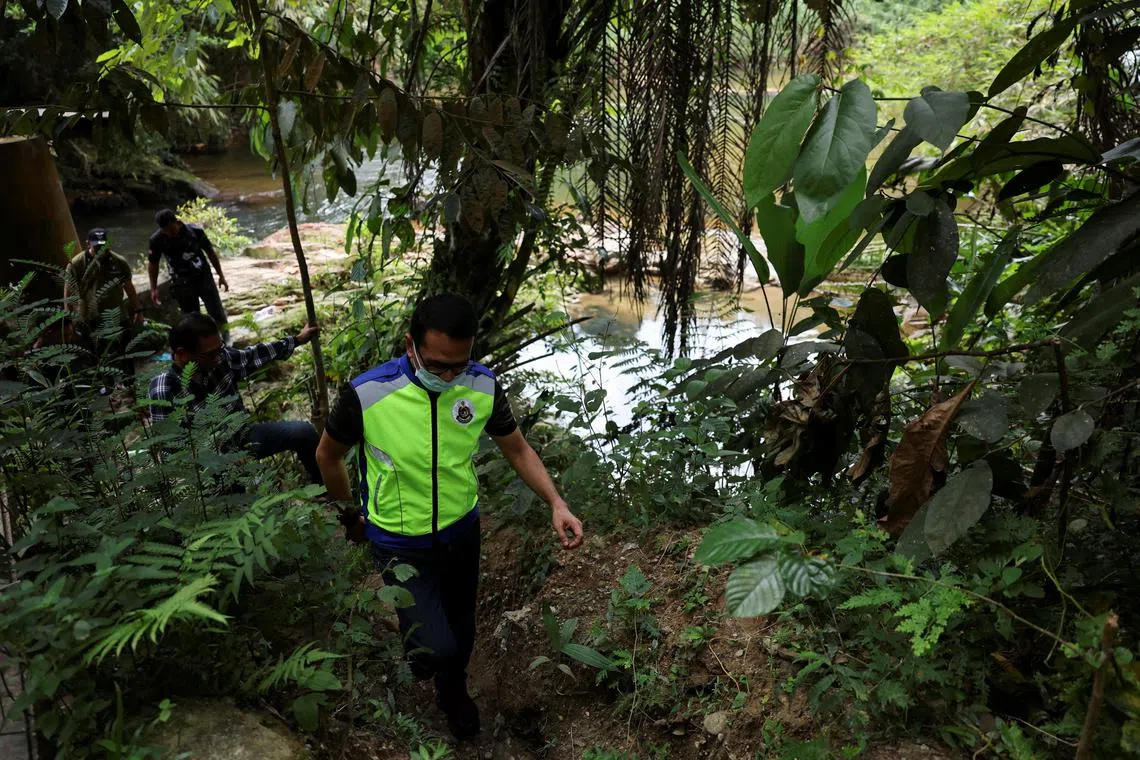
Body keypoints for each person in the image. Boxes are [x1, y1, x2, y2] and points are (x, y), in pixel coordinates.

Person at [315, 293, 584, 740]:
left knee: (461, 626)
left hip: (463, 531)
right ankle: (430, 661)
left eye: (459, 364)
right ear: (410, 346)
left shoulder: (481, 385)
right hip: (397, 539)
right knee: (432, 648)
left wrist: (557, 503)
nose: (449, 375)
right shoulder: (368, 393)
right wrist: (350, 517)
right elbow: (328, 455)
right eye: (438, 365)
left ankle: (453, 690)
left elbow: (516, 447)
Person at [147, 313, 323, 484]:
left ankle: (324, 490)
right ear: (182, 354)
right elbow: (170, 452)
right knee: (235, 494)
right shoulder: (164, 388)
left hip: (242, 437)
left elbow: (254, 355)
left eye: (220, 349)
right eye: (210, 354)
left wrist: (298, 339)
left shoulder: (221, 358)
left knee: (303, 432)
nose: (218, 358)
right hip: (208, 466)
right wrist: (219, 461)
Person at [64, 228, 143, 376]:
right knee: (96, 357)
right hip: (90, 318)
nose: (101, 250)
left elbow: (129, 287)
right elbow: (68, 295)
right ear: (88, 244)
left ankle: (129, 383)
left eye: (104, 246)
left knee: (125, 353)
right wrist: (69, 322)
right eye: (97, 247)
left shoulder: (119, 262)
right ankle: (104, 387)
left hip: (117, 316)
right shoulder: (76, 264)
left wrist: (138, 311)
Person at [147, 209, 230, 343]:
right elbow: (153, 264)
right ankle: (199, 346)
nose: (170, 233)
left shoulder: (195, 232)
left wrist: (221, 275)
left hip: (203, 277)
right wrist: (153, 288)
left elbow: (210, 253)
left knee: (216, 311)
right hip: (181, 283)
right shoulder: (157, 240)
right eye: (166, 231)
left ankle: (227, 340)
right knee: (191, 319)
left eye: (172, 229)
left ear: (177, 222)